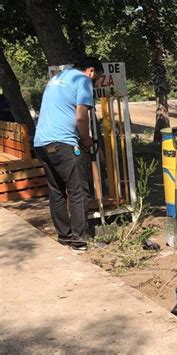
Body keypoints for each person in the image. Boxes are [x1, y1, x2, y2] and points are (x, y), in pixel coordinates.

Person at [34, 57, 103, 251]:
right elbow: (81, 116)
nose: (96, 81)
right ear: (90, 71)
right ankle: (80, 241)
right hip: (63, 143)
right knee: (78, 191)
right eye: (97, 76)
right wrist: (87, 140)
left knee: (57, 191)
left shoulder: (58, 78)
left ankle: (64, 237)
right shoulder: (82, 81)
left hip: (41, 143)